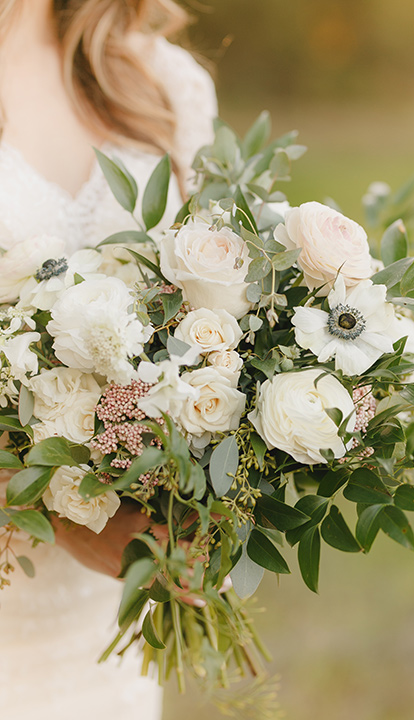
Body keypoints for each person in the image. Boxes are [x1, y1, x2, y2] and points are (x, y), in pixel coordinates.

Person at [0, 1, 217, 718]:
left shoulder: (158, 79)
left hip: (106, 639)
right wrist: (59, 507)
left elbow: (215, 314)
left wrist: (203, 480)